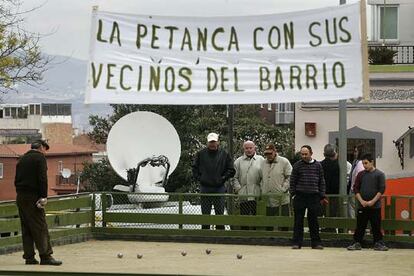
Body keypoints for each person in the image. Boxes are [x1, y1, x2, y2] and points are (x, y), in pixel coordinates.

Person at [14, 140, 62, 265]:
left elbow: (16, 180)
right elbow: (42, 178)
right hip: (33, 197)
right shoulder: (39, 158)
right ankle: (45, 256)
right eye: (45, 150)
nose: (45, 153)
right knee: (40, 227)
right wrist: (43, 196)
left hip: (20, 197)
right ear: (41, 147)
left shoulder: (22, 159)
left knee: (26, 228)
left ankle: (29, 257)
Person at [192, 132, 235, 230]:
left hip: (219, 188)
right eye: (210, 142)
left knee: (219, 213)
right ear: (207, 143)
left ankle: (220, 234)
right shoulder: (200, 154)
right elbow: (194, 168)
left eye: (214, 142)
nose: (212, 144)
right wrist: (201, 178)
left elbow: (231, 170)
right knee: (205, 214)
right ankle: (205, 234)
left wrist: (223, 178)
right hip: (205, 188)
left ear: (218, 142)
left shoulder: (224, 154)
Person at [347, 153, 388, 251]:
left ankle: (378, 243)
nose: (364, 166)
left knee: (376, 226)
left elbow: (381, 189)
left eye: (366, 163)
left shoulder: (380, 174)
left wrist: (372, 201)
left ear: (372, 162)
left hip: (375, 206)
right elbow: (356, 189)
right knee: (360, 225)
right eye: (363, 163)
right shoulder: (360, 174)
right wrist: (362, 201)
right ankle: (357, 242)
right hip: (362, 205)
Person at [290, 145, 326, 249]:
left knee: (313, 221)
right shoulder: (297, 165)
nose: (304, 156)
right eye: (302, 154)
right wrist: (293, 193)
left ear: (311, 153)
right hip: (300, 195)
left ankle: (316, 243)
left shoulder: (318, 165)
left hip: (313, 196)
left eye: (306, 154)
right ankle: (296, 243)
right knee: (298, 221)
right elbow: (292, 180)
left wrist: (321, 195)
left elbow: (321, 181)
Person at [232, 141, 264, 230]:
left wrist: (262, 189)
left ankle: (256, 235)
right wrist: (239, 189)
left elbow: (264, 177)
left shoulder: (261, 160)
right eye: (246, 148)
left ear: (254, 148)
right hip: (244, 194)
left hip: (256, 193)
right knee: (244, 217)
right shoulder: (238, 161)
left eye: (250, 148)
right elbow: (234, 177)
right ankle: (244, 235)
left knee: (256, 217)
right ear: (244, 149)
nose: (249, 150)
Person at [260, 143, 292, 231]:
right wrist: (262, 189)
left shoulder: (284, 161)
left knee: (284, 222)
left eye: (270, 153)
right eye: (266, 154)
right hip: (268, 199)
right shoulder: (263, 163)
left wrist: (283, 189)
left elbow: (290, 177)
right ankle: (269, 240)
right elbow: (260, 177)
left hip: (282, 199)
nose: (268, 155)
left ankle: (284, 239)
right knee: (269, 223)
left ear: (275, 152)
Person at [320, 144, 340, 232]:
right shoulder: (338, 165)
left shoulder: (320, 165)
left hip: (322, 193)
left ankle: (326, 228)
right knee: (333, 213)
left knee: (324, 212)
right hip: (334, 194)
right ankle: (331, 229)